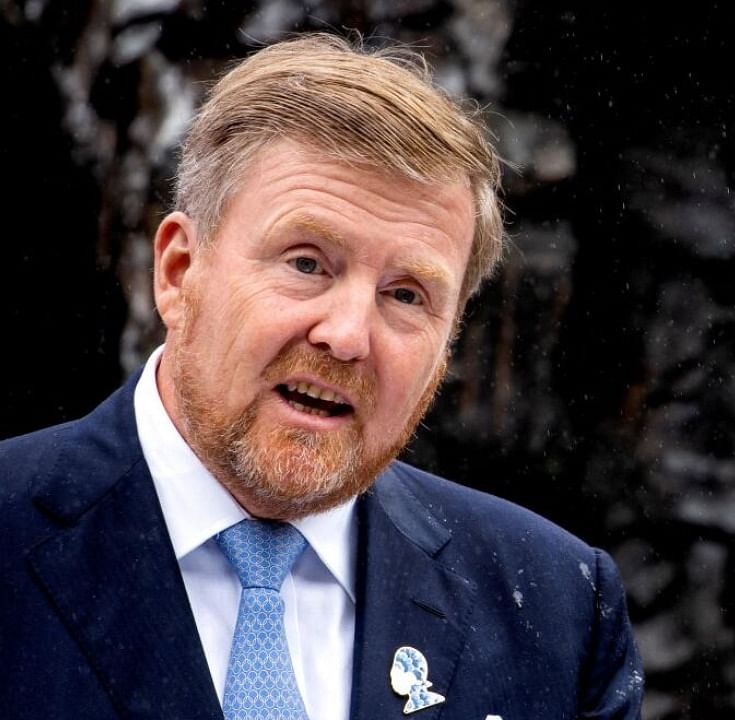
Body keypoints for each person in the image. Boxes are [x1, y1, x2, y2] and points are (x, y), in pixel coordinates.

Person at [0, 34, 643, 720]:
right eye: (307, 263)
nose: (347, 336)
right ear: (179, 271)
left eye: (406, 295)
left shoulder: (556, 610)